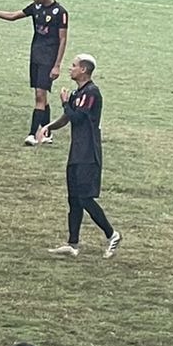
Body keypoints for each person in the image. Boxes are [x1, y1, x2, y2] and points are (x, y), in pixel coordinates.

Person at [43, 54, 120, 258]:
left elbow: (76, 117)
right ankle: (72, 243)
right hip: (76, 153)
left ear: (83, 70)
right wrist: (49, 127)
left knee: (85, 199)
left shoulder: (92, 92)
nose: (71, 68)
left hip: (88, 154)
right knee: (74, 200)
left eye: (74, 65)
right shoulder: (78, 93)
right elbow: (67, 118)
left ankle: (112, 234)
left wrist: (64, 103)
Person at [0, 0, 68, 147]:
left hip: (49, 59)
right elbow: (13, 16)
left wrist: (57, 65)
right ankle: (47, 133)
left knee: (39, 96)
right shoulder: (35, 8)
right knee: (42, 96)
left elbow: (63, 39)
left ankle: (32, 134)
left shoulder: (60, 12)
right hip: (36, 56)